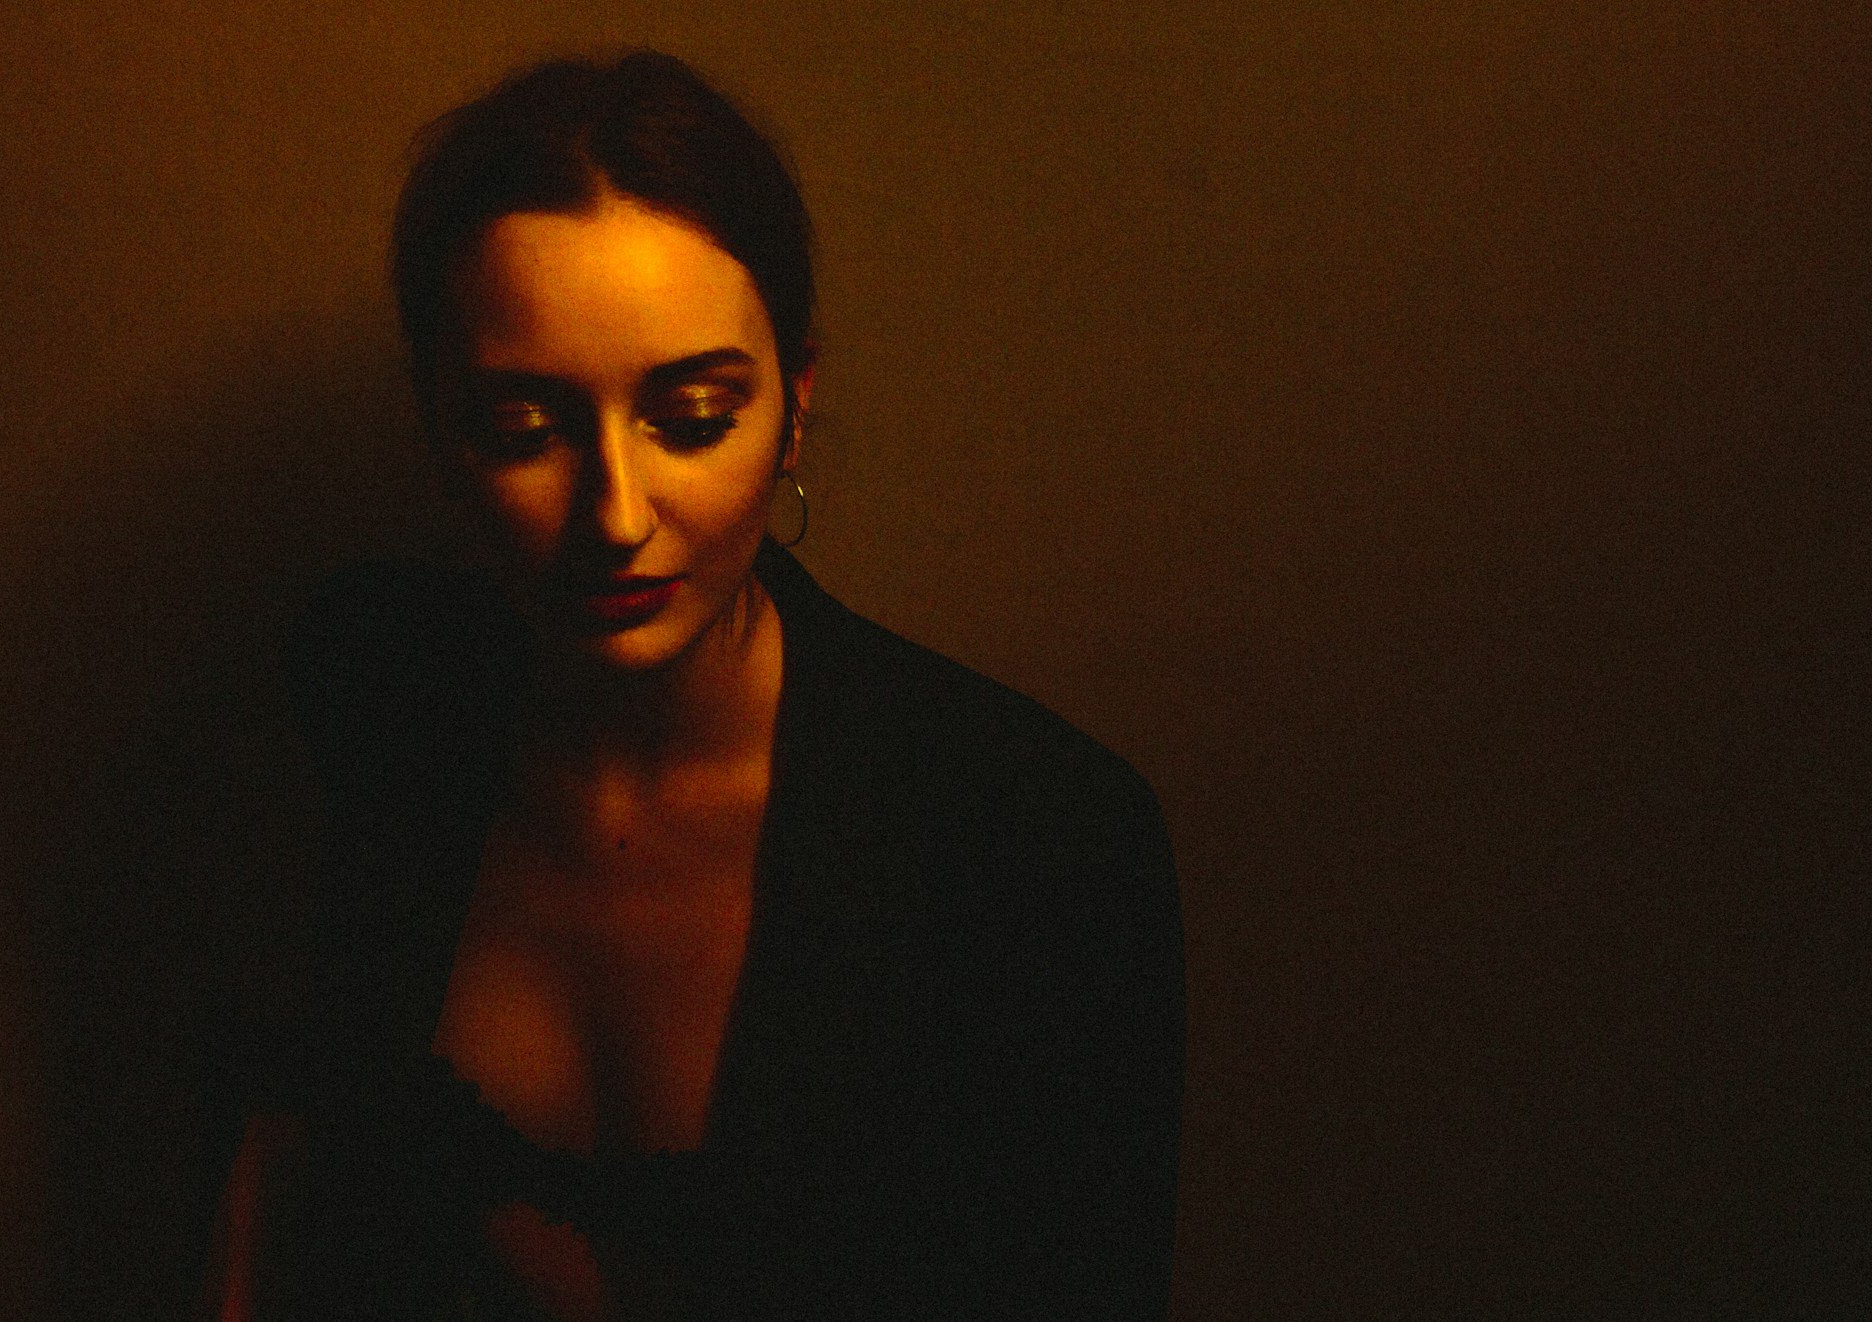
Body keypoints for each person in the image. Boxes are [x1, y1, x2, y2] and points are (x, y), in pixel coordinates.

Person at [215, 51, 1184, 1321]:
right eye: (525, 429)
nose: (613, 515)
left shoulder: (1032, 838)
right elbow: (284, 1127)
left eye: (691, 414)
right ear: (439, 432)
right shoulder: (380, 692)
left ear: (794, 405)